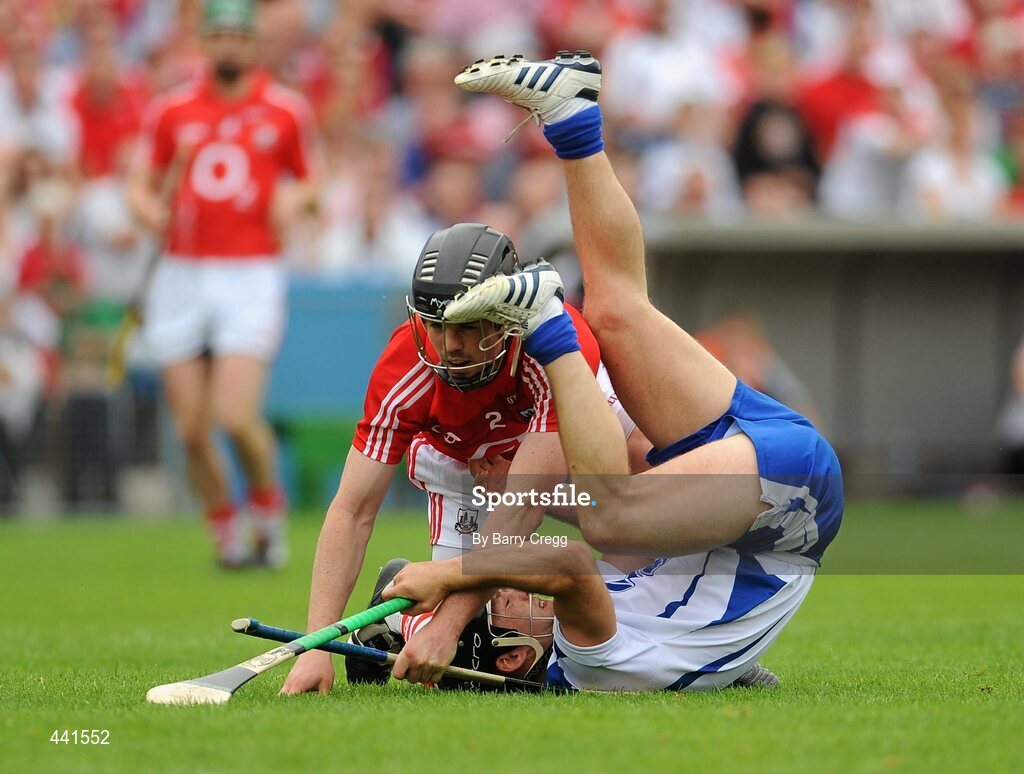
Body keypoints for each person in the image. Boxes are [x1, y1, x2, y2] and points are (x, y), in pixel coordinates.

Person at [377, 50, 843, 691]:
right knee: (605, 514)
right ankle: (545, 320)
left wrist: (524, 502)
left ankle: (570, 117)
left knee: (617, 311)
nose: (504, 576)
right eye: (501, 599)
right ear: (513, 656)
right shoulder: (592, 654)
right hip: (788, 497)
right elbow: (571, 560)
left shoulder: (599, 636)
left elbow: (633, 490)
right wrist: (453, 577)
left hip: (757, 487)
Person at [279, 221, 646, 694]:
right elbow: (352, 511)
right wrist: (316, 649)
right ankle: (399, 625)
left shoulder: (556, 345)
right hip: (460, 466)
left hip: (554, 446)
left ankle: (700, 645)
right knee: (475, 654)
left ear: (507, 316)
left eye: (469, 327)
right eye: (437, 326)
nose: (450, 346)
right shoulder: (401, 373)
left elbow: (521, 509)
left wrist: (446, 627)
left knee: (646, 490)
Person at [127, 0, 319, 568]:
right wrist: (147, 211)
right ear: (204, 42)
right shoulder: (172, 111)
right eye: (220, 35)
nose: (229, 45)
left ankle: (267, 509)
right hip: (181, 272)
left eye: (239, 35)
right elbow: (141, 183)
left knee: (235, 416)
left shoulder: (284, 111)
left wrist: (292, 199)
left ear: (252, 43)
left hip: (249, 272)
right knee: (190, 428)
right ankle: (226, 534)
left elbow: (312, 181)